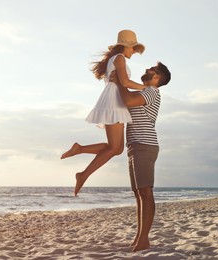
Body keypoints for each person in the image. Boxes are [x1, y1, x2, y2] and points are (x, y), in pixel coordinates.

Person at [61, 30, 146, 196]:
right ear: (124, 46)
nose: (134, 51)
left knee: (116, 148)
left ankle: (80, 156)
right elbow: (125, 82)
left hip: (114, 101)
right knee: (115, 148)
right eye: (132, 48)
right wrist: (146, 88)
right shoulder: (119, 58)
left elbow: (122, 82)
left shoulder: (115, 59)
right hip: (114, 102)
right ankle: (83, 172)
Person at [113, 62, 171, 252]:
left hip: (144, 145)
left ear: (157, 78)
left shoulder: (151, 91)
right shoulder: (145, 91)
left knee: (145, 192)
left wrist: (120, 82)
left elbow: (128, 101)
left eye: (151, 70)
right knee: (139, 194)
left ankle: (144, 239)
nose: (147, 69)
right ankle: (140, 237)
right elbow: (126, 100)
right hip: (136, 145)